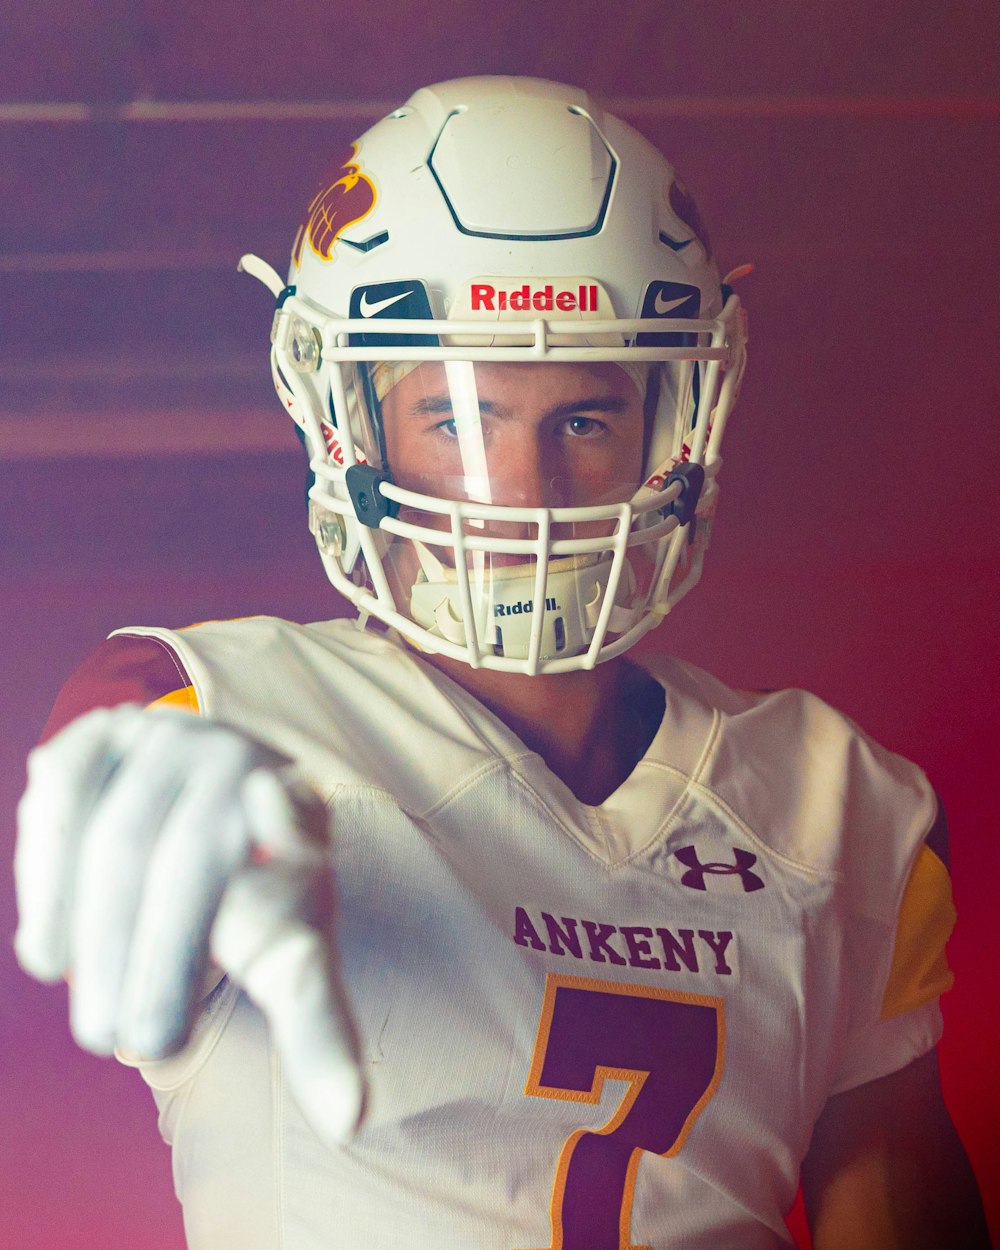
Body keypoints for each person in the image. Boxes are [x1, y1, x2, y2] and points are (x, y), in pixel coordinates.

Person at [13, 76, 990, 1250]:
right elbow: (120, 750)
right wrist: (139, 791)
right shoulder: (229, 712)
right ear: (347, 422)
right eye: (457, 421)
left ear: (671, 425)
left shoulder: (838, 803)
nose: (523, 491)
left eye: (581, 418)